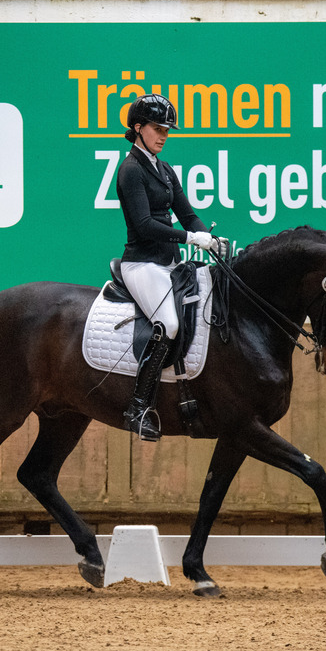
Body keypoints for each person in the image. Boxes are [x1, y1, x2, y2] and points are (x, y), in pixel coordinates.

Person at [116, 93, 224, 442]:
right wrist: (192, 239)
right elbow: (145, 225)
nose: (164, 135)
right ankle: (138, 407)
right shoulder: (130, 170)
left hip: (169, 264)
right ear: (138, 128)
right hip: (141, 264)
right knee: (170, 324)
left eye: (167, 130)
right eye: (157, 128)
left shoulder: (164, 169)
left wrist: (210, 238)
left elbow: (187, 213)